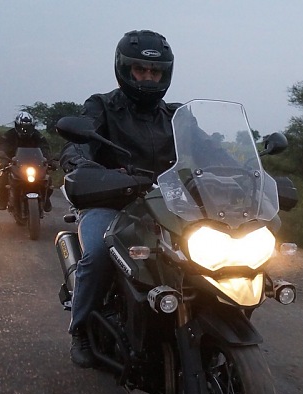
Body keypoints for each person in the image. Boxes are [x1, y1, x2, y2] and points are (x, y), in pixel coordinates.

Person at [59, 29, 179, 368]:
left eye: (155, 72)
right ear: (125, 69)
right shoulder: (102, 106)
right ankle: (80, 328)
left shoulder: (175, 115)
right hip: (109, 200)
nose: (148, 77)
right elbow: (77, 143)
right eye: (141, 70)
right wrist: (83, 164)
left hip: (164, 207)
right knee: (98, 253)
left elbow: (205, 153)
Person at [0, 111, 53, 212]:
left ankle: (46, 199)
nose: (25, 130)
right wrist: (3, 159)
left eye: (28, 127)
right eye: (23, 127)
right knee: (3, 181)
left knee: (47, 180)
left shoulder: (38, 136)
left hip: (35, 163)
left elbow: (45, 148)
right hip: (14, 163)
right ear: (17, 125)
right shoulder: (9, 135)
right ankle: (3, 199)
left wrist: (49, 160)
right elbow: (2, 147)